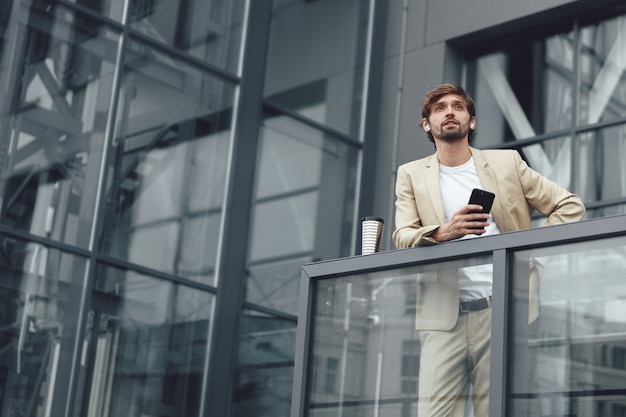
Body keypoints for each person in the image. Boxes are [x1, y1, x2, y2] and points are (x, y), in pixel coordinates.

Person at [392, 83, 585, 417]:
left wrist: (531, 256)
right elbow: (402, 235)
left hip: (504, 312)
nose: (449, 112)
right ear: (427, 124)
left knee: (495, 411)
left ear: (472, 121)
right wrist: (442, 232)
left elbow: (569, 205)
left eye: (457, 106)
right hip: (442, 317)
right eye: (439, 108)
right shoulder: (410, 174)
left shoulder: (507, 163)